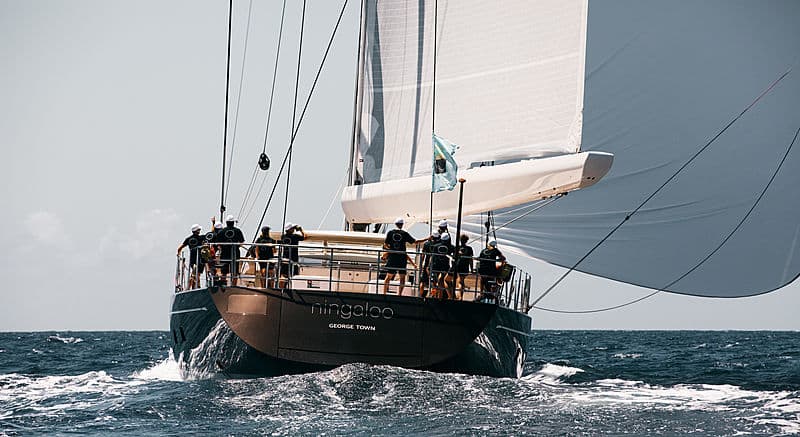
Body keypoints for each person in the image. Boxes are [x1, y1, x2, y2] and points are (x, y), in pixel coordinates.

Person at [382, 218, 422, 295]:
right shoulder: (404, 233)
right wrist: (427, 239)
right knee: (402, 278)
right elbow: (415, 242)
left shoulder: (390, 233)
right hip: (401, 259)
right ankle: (399, 294)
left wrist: (391, 250)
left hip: (392, 258)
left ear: (395, 224)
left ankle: (384, 293)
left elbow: (385, 244)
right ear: (402, 224)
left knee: (388, 276)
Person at [212, 214, 245, 285]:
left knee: (224, 271)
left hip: (224, 254)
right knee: (235, 272)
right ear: (233, 222)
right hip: (235, 254)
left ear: (226, 222)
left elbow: (218, 244)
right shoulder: (238, 231)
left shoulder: (221, 232)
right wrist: (236, 247)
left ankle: (224, 285)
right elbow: (242, 242)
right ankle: (234, 286)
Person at [177, 224, 205, 289]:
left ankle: (193, 287)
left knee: (195, 273)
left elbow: (180, 248)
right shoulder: (201, 238)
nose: (200, 231)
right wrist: (213, 223)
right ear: (197, 231)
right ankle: (197, 286)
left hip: (192, 259)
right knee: (197, 274)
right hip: (200, 259)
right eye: (199, 230)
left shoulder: (188, 239)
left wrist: (178, 255)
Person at [430, 232, 454, 299]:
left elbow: (433, 257)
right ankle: (439, 296)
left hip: (436, 267)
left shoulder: (436, 246)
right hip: (445, 266)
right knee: (441, 281)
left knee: (436, 282)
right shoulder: (451, 247)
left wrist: (430, 266)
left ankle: (436, 296)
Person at [418, 231, 440, 298]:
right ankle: (433, 296)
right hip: (436, 265)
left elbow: (423, 255)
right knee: (434, 282)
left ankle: (420, 296)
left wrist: (420, 264)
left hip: (427, 264)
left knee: (423, 281)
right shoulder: (439, 245)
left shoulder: (426, 244)